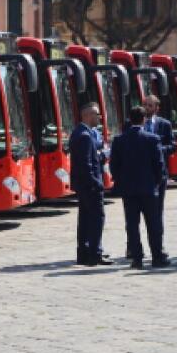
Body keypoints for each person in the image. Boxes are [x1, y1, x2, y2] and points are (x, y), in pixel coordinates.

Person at [110, 106, 170, 270]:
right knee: (153, 224)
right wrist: (156, 183)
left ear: (130, 118)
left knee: (132, 224)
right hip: (149, 188)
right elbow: (159, 165)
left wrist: (121, 181)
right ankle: (157, 256)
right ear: (144, 119)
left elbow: (114, 166)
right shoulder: (152, 139)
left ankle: (137, 258)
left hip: (129, 190)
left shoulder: (119, 140)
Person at [69, 103, 110, 265]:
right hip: (90, 185)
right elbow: (86, 164)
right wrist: (95, 183)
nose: (99, 118)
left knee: (85, 219)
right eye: (96, 115)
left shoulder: (80, 132)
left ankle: (84, 253)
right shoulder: (85, 136)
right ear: (87, 116)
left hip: (83, 184)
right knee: (96, 219)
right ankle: (95, 253)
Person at [142, 94, 176, 232]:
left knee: (157, 209)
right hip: (140, 174)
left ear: (156, 108)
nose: (147, 108)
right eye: (145, 105)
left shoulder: (165, 124)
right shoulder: (135, 122)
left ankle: (158, 242)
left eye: (150, 105)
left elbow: (172, 146)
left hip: (159, 174)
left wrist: (159, 150)